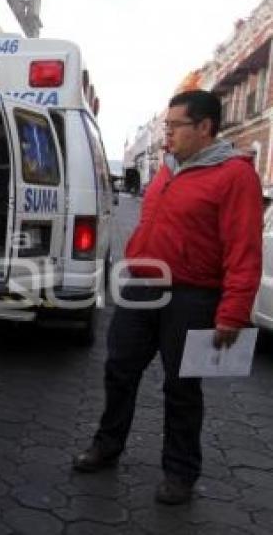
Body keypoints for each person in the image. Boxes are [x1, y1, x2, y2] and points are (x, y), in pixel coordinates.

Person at [72, 90, 263, 505]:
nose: (167, 134)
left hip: (192, 296)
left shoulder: (235, 175)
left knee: (181, 387)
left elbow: (244, 250)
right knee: (119, 370)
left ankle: (180, 472)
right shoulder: (169, 168)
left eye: (175, 126)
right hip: (143, 286)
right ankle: (108, 445)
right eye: (166, 126)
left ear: (205, 127)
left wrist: (232, 312)